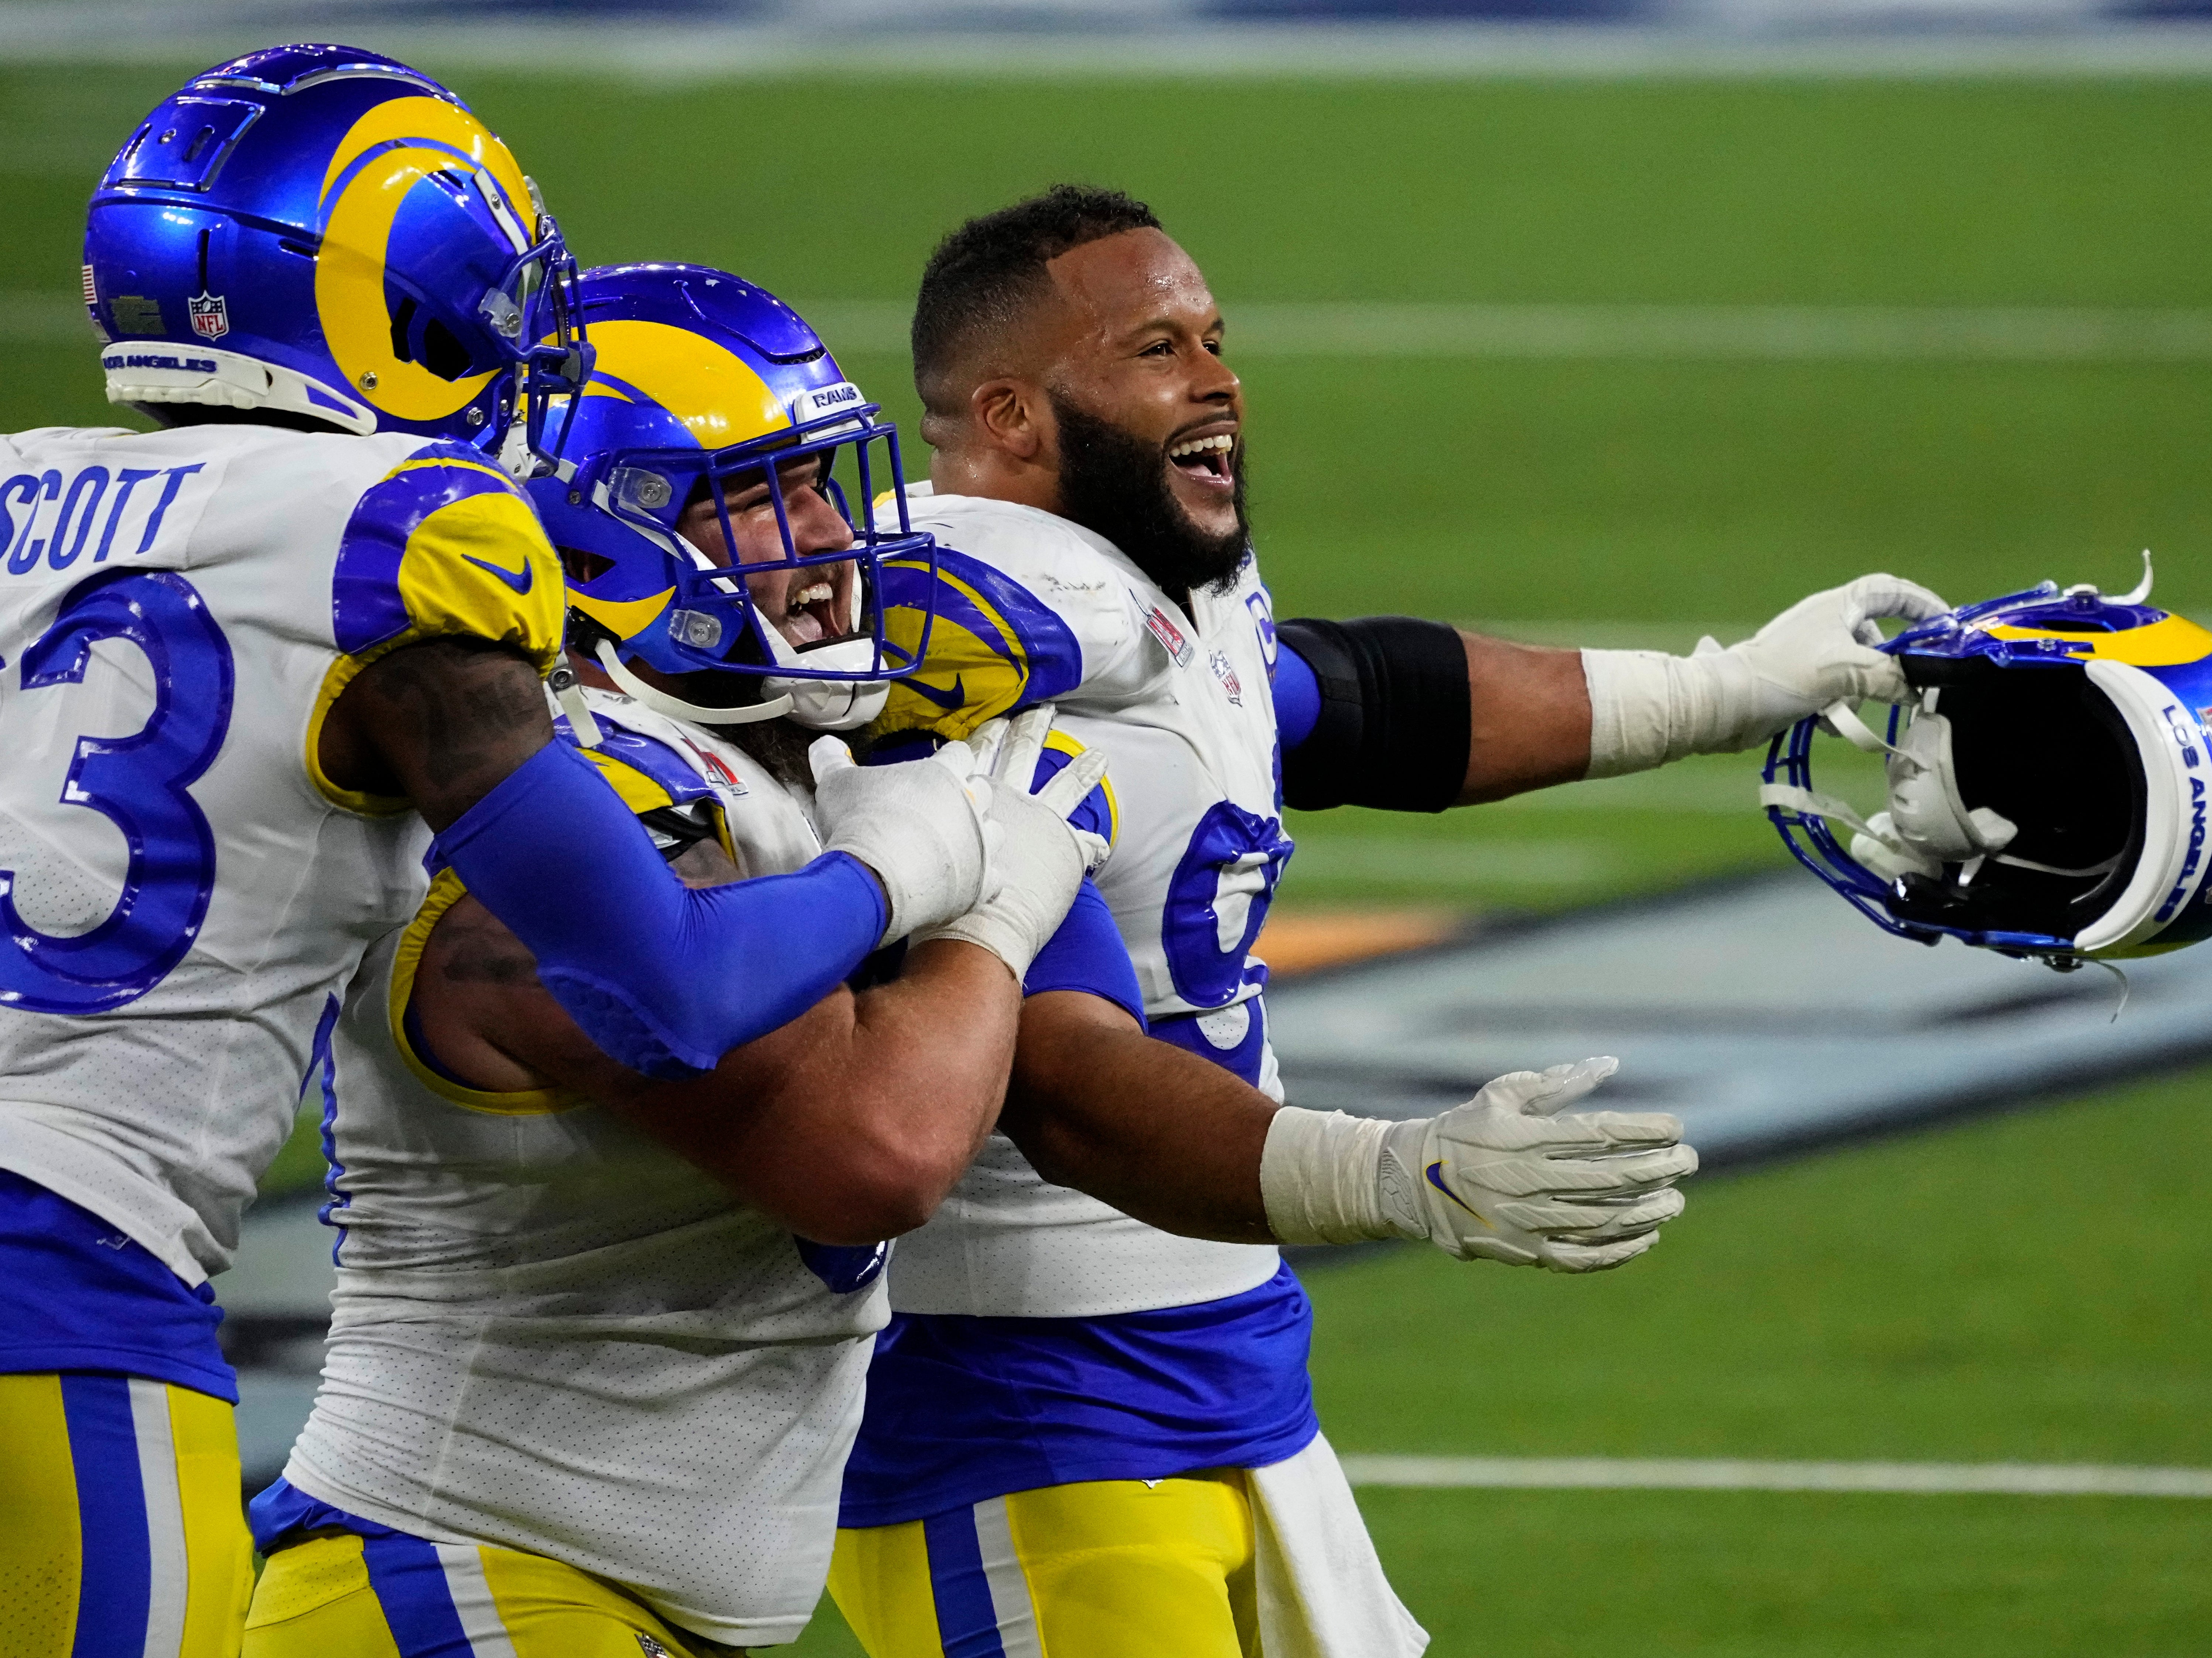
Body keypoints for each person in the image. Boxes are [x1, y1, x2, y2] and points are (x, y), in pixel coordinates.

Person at [239, 264, 1696, 1656]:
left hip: (584, 1593)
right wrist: (958, 882)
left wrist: (1381, 1169)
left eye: (822, 479)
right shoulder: (570, 820)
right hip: (461, 1580)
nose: (826, 539)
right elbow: (869, 1154)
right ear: (607, 535)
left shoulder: (820, 749)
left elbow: (1076, 1058)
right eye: (760, 499)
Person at [826, 184, 1949, 1657]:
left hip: (1223, 1366)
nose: (1222, 377)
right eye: (1159, 347)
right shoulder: (966, 654)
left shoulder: (1147, 599)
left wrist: (1718, 691)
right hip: (1017, 1403)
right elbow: (1056, 1083)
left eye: (1216, 336)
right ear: (1014, 416)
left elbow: (1368, 705)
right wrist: (1391, 1171)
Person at [0, 54, 1002, 1657]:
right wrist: (904, 867)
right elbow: (661, 991)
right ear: (388, 291)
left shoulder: (20, 490)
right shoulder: (405, 528)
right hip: (58, 1271)